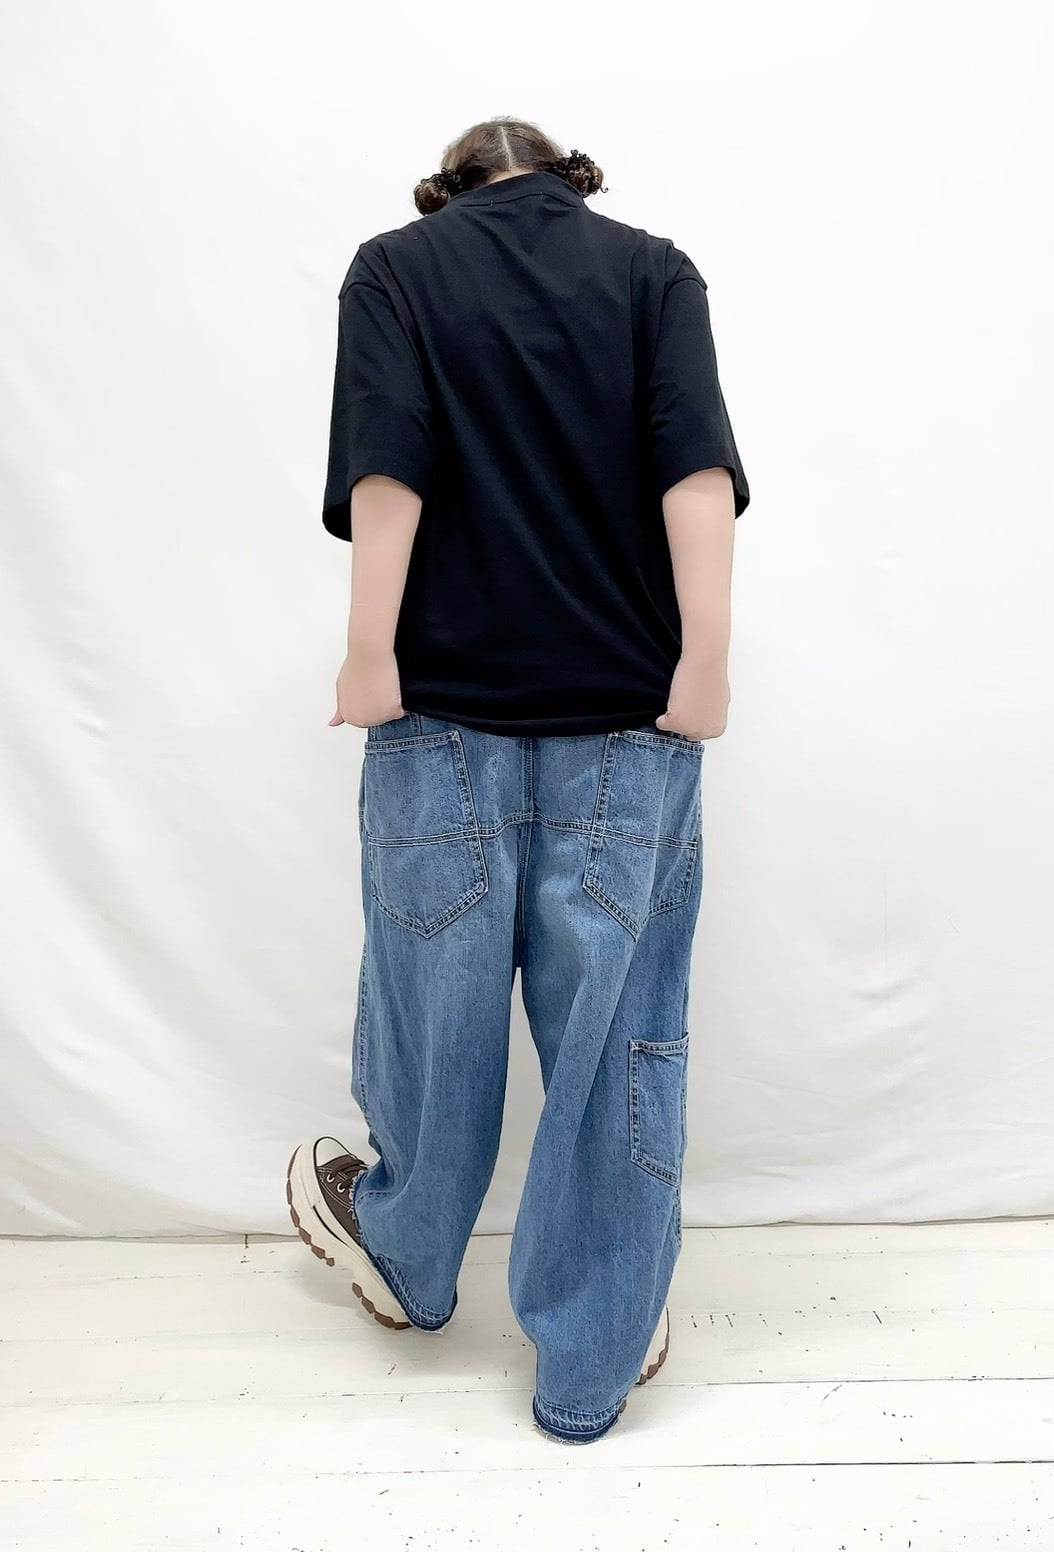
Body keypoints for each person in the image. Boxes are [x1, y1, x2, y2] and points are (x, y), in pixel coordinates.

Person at [286, 117, 750, 1445]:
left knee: (432, 1015)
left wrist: (368, 653)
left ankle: (410, 1262)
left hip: (441, 715)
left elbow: (388, 461)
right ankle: (591, 1355)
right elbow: (695, 473)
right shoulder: (653, 271)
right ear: (565, 178)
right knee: (615, 1041)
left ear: (450, 190)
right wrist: (705, 667)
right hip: (628, 722)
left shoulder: (397, 266)